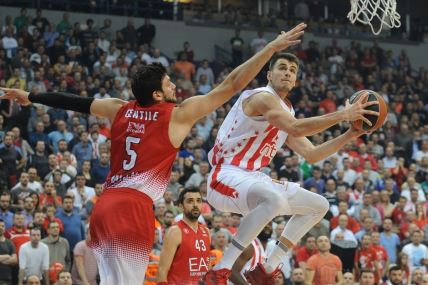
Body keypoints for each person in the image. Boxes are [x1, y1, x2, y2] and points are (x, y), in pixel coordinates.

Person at [0, 23, 308, 285]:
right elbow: (231, 85)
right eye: (169, 83)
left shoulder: (118, 108)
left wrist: (31, 96)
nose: (175, 85)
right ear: (158, 95)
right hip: (132, 210)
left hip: (104, 206)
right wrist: (271, 48)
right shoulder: (177, 115)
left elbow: (75, 101)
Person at [203, 44, 379, 285]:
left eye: (292, 70)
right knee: (274, 200)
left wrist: (350, 135)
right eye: (282, 68)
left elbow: (312, 153)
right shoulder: (262, 97)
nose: (287, 72)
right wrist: (342, 115)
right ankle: (222, 268)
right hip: (224, 176)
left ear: (296, 79)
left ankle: (266, 267)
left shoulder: (287, 110)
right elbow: (295, 127)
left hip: (251, 179)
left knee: (319, 205)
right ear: (269, 75)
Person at [156, 188, 210, 285]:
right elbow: (162, 270)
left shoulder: (206, 231)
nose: (195, 205)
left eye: (198, 201)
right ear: (181, 206)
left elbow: (206, 264)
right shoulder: (175, 231)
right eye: (190, 201)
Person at [0, 218, 17, 285]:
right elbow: (11, 258)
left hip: (6, 278)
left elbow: (15, 260)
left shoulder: (9, 242)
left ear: (5, 228)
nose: (0, 228)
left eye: (2, 226)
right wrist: (7, 256)